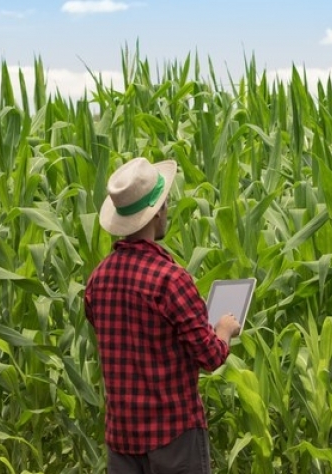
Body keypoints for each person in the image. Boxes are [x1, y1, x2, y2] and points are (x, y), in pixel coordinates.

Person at [84, 157, 241, 474]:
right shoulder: (171, 280)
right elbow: (210, 356)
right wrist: (223, 329)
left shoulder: (98, 279)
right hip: (173, 438)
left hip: (122, 440)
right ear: (158, 212)